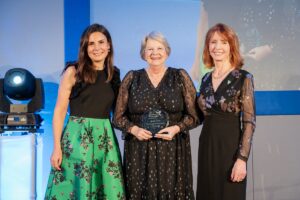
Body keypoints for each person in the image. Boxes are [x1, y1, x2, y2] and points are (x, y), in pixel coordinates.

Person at [113, 31, 199, 199]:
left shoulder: (180, 77)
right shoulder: (132, 78)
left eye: (159, 48)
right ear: (143, 54)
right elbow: (117, 118)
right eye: (149, 49)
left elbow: (194, 116)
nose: (155, 53)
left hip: (173, 150)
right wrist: (133, 129)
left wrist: (177, 127)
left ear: (167, 51)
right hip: (139, 151)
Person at [45, 23, 125, 199]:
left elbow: (120, 112)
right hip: (77, 139)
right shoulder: (73, 72)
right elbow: (59, 111)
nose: (97, 48)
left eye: (101, 42)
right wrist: (57, 147)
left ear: (109, 45)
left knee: (107, 190)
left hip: (105, 141)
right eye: (91, 43)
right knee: (75, 191)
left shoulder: (114, 74)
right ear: (85, 48)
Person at [196, 23, 256, 200]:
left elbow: (249, 123)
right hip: (207, 146)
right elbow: (200, 116)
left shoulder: (244, 77)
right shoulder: (205, 78)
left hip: (230, 150)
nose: (218, 47)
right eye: (213, 42)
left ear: (231, 46)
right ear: (208, 46)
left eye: (224, 42)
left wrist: (242, 159)